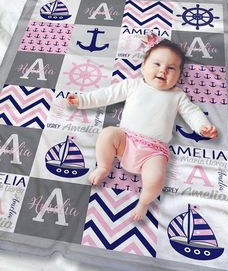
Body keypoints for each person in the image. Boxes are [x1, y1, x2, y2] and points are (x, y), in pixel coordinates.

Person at [67, 38, 217, 221]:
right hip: (125, 140)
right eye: (157, 64)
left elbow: (192, 112)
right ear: (143, 67)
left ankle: (144, 202)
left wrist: (202, 127)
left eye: (171, 68)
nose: (163, 70)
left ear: (178, 76)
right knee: (108, 133)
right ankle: (104, 167)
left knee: (156, 178)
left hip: (154, 152)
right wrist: (83, 100)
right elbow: (106, 95)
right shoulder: (133, 85)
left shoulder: (177, 96)